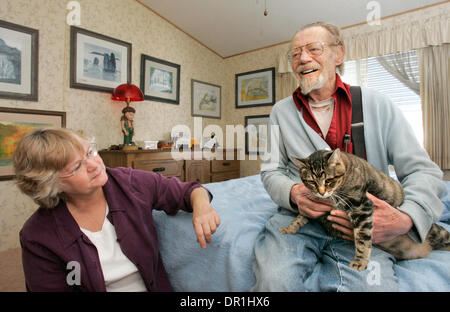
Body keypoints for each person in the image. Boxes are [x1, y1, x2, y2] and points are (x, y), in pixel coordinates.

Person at [252, 22, 446, 291]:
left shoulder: (378, 104)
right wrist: (294, 193)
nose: (303, 58)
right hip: (301, 220)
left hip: (360, 224)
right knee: (273, 282)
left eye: (313, 49)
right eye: (295, 53)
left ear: (338, 54)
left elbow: (423, 172)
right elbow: (271, 171)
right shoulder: (280, 112)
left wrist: (406, 218)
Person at [14, 128, 220, 292]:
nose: (94, 165)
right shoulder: (38, 236)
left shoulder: (128, 183)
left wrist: (202, 208)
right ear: (49, 184)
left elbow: (189, 190)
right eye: (77, 167)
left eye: (90, 152)